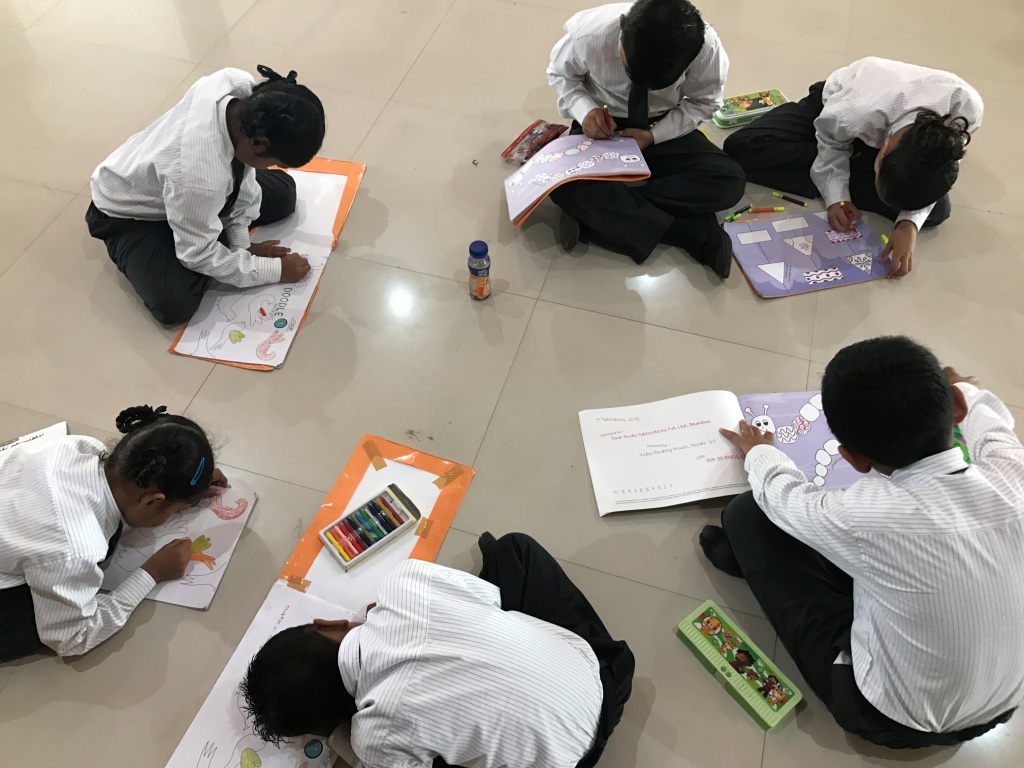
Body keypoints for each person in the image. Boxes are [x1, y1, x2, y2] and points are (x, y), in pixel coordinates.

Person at [699, 336, 1024, 749]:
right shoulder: (1014, 471)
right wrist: (964, 389)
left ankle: (747, 561)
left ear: (853, 458)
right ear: (955, 407)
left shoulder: (864, 514)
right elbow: (993, 423)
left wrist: (760, 452)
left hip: (892, 719)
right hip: (1004, 701)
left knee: (747, 517)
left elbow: (782, 497)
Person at [241, 533, 635, 768]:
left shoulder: (374, 737)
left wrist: (341, 737)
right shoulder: (404, 580)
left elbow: (365, 747)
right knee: (514, 550)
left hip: (569, 760)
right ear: (325, 624)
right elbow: (491, 601)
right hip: (605, 674)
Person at [86, 65, 326, 324]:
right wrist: (274, 271)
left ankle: (199, 225)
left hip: (183, 186)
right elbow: (197, 254)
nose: (274, 167)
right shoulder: (200, 177)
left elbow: (243, 173)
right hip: (128, 214)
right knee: (173, 303)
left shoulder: (239, 88)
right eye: (275, 162)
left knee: (283, 195)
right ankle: (192, 229)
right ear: (257, 142)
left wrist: (242, 246)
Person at [0, 405, 228, 661]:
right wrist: (151, 574)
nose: (177, 514)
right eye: (178, 510)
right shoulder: (76, 548)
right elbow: (73, 639)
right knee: (38, 622)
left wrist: (191, 486)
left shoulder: (77, 446)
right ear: (151, 501)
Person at [723, 58, 983, 277]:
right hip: (835, 107)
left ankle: (850, 166)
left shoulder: (964, 110)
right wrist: (837, 195)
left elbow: (945, 161)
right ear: (884, 150)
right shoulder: (852, 112)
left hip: (886, 134)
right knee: (743, 147)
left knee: (936, 212)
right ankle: (849, 166)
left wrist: (908, 224)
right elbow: (830, 143)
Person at [546, 0, 744, 276]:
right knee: (559, 182)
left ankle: (599, 213)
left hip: (662, 123)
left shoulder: (704, 47)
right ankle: (691, 233)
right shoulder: (589, 35)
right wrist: (585, 110)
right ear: (622, 26)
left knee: (728, 180)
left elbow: (704, 103)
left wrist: (653, 136)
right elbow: (560, 75)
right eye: (629, 71)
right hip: (603, 123)